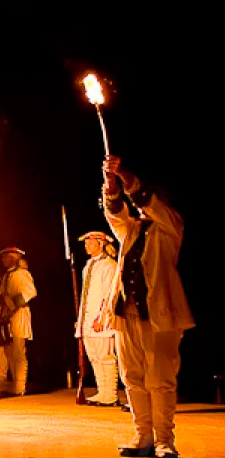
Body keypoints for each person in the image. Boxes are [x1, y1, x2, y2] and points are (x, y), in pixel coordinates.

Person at [98, 155, 193, 458]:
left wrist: (125, 175)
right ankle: (143, 439)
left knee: (160, 381)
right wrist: (111, 185)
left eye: (153, 198)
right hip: (127, 316)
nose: (142, 205)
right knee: (133, 380)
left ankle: (165, 440)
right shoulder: (132, 229)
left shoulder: (171, 226)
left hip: (161, 316)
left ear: (164, 201)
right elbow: (115, 213)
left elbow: (143, 198)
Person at [76, 231, 120, 406]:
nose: (86, 245)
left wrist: (102, 316)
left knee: (105, 356)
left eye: (90, 242)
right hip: (87, 320)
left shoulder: (109, 265)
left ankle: (110, 394)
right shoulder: (88, 266)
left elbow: (110, 294)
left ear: (101, 244)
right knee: (94, 357)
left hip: (101, 319)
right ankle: (103, 392)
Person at [0, 247, 37, 397]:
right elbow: (0, 291)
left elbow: (31, 292)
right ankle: (14, 385)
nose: (2, 260)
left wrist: (13, 303)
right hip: (7, 316)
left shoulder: (22, 274)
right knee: (9, 351)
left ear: (12, 258)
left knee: (19, 351)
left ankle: (20, 387)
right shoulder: (7, 275)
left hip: (19, 314)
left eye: (5, 257)